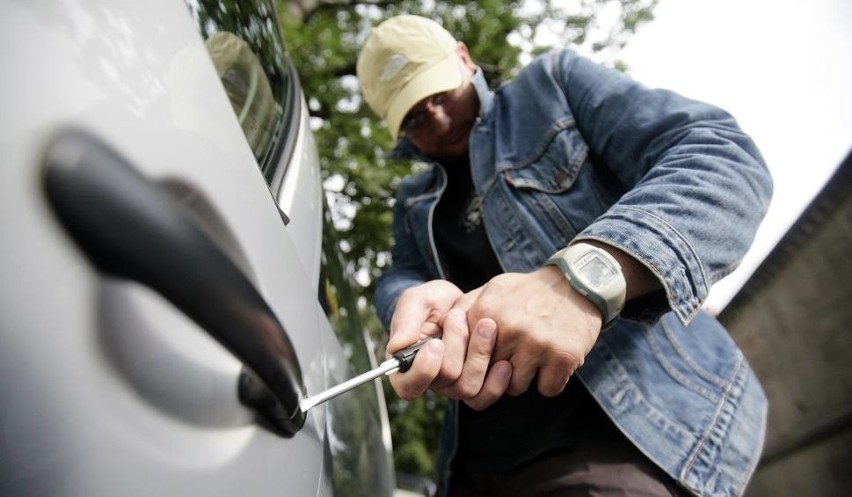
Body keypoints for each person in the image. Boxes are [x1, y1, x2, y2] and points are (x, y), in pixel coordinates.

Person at [356, 14, 772, 497]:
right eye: (415, 118)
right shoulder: (412, 202)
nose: (441, 121)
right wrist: (406, 298)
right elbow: (400, 274)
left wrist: (585, 276)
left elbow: (721, 157)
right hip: (475, 463)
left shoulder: (552, 87)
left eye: (440, 96)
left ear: (464, 59)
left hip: (619, 440)